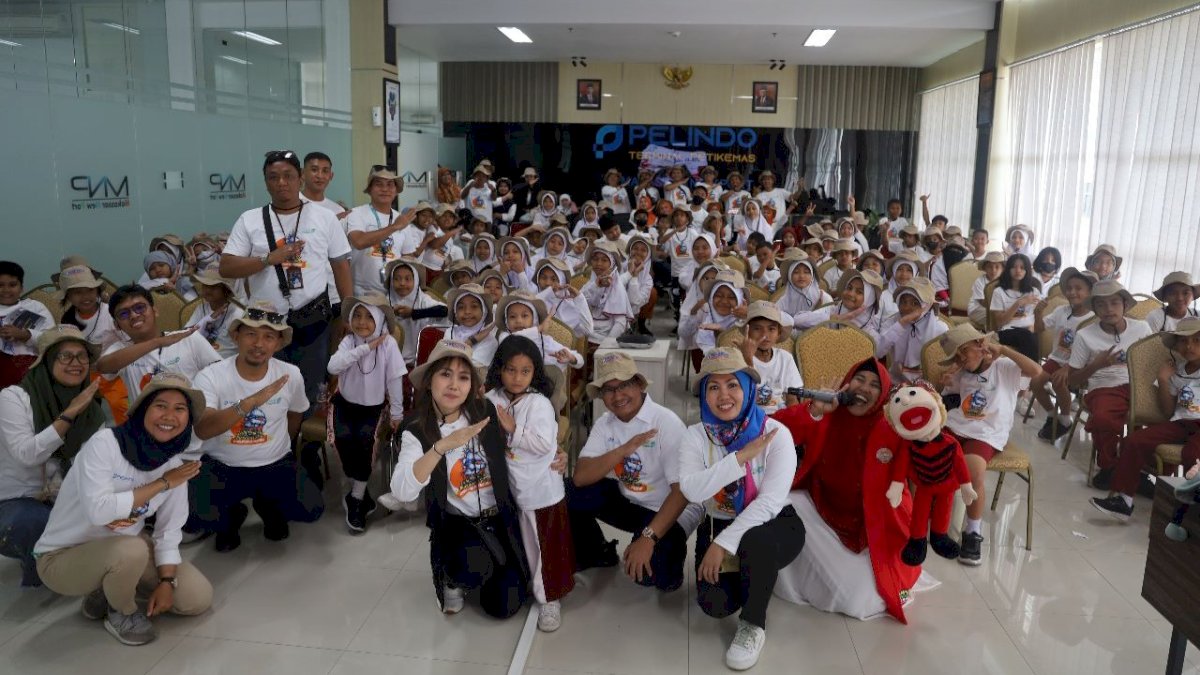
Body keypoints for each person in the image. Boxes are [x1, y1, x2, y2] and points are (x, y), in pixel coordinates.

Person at [34, 373, 213, 646]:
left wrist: (167, 581)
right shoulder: (104, 444)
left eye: (180, 409)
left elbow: (169, 529)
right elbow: (100, 512)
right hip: (62, 557)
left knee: (196, 597)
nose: (169, 416)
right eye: (160, 405)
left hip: (125, 548)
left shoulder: (174, 463)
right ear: (143, 409)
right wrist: (162, 484)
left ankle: (107, 590)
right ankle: (121, 610)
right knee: (132, 550)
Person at [772, 357, 926, 623]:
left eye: (874, 385)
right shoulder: (827, 413)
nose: (864, 388)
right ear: (847, 383)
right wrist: (814, 412)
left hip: (875, 526)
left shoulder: (891, 426)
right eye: (859, 380)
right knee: (775, 501)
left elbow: (924, 465)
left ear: (883, 394)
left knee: (865, 600)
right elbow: (772, 432)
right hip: (824, 508)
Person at [679, 348, 803, 671]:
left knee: (756, 543)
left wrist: (723, 544)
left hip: (775, 522)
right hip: (718, 522)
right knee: (714, 604)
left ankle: (753, 624)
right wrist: (741, 458)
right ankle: (756, 577)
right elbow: (692, 489)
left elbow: (770, 502)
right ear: (703, 394)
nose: (724, 396)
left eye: (732, 384)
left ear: (748, 389)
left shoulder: (776, 434)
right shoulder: (695, 436)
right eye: (713, 387)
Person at [389, 339, 529, 617]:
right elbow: (403, 491)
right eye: (445, 374)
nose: (454, 385)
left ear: (472, 386)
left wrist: (555, 455)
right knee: (472, 568)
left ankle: (488, 567)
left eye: (463, 377)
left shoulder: (485, 411)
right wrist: (441, 446)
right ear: (429, 381)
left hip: (499, 516)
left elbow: (520, 442)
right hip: (458, 522)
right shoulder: (415, 429)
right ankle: (452, 578)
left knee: (504, 607)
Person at [220, 149, 352, 422]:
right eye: (274, 177)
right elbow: (227, 267)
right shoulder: (251, 219)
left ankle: (305, 452)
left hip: (313, 320)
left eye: (288, 176)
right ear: (266, 181)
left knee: (308, 391)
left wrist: (348, 309)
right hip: (265, 323)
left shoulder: (324, 217)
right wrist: (269, 259)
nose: (282, 182)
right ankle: (270, 448)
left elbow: (341, 265)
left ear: (300, 179)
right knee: (267, 390)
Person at [185, 302, 324, 551]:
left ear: (279, 343)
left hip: (274, 463)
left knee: (311, 508)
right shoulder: (211, 376)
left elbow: (295, 415)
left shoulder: (290, 374)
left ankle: (268, 507)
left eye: (269, 337)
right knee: (193, 517)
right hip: (223, 465)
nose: (259, 344)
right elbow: (203, 429)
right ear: (236, 336)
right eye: (251, 334)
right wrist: (248, 404)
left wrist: (282, 449)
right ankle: (231, 516)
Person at [570, 353, 702, 591]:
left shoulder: (665, 422)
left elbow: (682, 492)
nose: (617, 395)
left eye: (624, 385)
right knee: (567, 491)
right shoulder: (605, 423)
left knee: (653, 577)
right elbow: (580, 477)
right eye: (608, 390)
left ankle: (669, 563)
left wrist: (648, 537)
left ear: (640, 385)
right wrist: (623, 449)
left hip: (672, 507)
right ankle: (597, 551)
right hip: (632, 501)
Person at [0, 327, 104, 587]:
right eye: (65, 356)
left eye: (82, 356)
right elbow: (27, 455)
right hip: (17, 500)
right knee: (33, 524)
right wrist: (69, 414)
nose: (76, 363)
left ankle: (65, 562)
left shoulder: (90, 406)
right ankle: (42, 570)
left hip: (65, 495)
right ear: (46, 361)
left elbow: (95, 462)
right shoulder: (14, 397)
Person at [482, 336, 573, 631]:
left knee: (544, 546)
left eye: (525, 371)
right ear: (499, 369)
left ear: (535, 372)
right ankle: (526, 585)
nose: (517, 377)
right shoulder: (491, 399)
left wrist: (513, 428)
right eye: (510, 369)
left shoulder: (539, 403)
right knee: (523, 544)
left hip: (540, 490)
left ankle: (550, 599)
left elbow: (545, 444)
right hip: (508, 487)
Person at [936, 324, 1042, 565]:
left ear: (981, 346)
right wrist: (943, 380)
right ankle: (921, 515)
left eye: (964, 351)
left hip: (986, 433)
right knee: (921, 451)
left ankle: (973, 531)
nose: (961, 359)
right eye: (956, 356)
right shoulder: (961, 373)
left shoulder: (1004, 368)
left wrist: (1003, 349)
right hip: (955, 425)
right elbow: (946, 398)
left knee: (973, 473)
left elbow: (1035, 371)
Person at [1091, 317, 1200, 521]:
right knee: (1133, 440)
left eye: (1197, 340)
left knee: (1192, 455)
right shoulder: (1178, 372)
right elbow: (1168, 411)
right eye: (1184, 341)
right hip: (1181, 423)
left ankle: (1189, 512)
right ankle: (1124, 501)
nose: (1190, 346)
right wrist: (1164, 379)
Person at [327, 294, 407, 533]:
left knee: (364, 443)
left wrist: (397, 412)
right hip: (344, 402)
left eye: (369, 317)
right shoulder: (349, 341)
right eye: (357, 316)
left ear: (380, 320)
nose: (362, 322)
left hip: (373, 408)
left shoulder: (389, 344)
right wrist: (364, 348)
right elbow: (333, 366)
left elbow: (394, 380)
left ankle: (357, 498)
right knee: (342, 441)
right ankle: (359, 493)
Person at [1066, 280, 1153, 490]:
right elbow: (1073, 380)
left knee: (1163, 417)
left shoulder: (1142, 328)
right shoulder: (1084, 335)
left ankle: (1140, 472)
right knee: (1104, 418)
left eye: (1114, 303)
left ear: (1124, 304)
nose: (1108, 310)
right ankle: (1109, 467)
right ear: (1094, 309)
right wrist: (1096, 365)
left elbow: (1154, 364)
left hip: (1138, 386)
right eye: (1101, 305)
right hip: (1103, 386)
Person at [98, 285, 221, 414]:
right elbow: (103, 366)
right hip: (145, 428)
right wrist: (157, 342)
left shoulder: (188, 338)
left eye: (139, 307)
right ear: (117, 325)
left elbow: (220, 375)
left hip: (191, 421)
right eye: (123, 314)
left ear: (155, 310)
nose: (134, 315)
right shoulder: (121, 350)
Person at [1031, 267, 1096, 441]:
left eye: (1078, 288)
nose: (1072, 292)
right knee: (1036, 382)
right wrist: (1038, 313)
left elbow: (1091, 351)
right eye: (1069, 288)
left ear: (1090, 292)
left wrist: (1068, 367)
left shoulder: (1092, 318)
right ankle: (1053, 415)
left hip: (1078, 365)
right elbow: (1038, 328)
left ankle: (1065, 419)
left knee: (1059, 381)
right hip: (1056, 359)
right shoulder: (1062, 311)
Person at [344, 167, 418, 295]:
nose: (385, 189)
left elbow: (408, 257)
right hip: (362, 293)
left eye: (390, 185)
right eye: (379, 184)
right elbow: (359, 241)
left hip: (394, 294)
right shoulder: (357, 213)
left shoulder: (401, 219)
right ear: (370, 190)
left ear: (395, 191)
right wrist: (394, 227)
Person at [876, 278, 949, 383]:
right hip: (896, 381)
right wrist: (901, 324)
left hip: (928, 383)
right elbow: (879, 351)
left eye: (915, 303)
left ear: (926, 306)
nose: (907, 307)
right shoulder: (892, 322)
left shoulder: (939, 329)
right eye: (903, 302)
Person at [736, 301, 801, 414]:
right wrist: (747, 360)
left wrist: (791, 422)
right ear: (748, 331)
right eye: (757, 328)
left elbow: (792, 400)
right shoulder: (737, 358)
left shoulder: (786, 358)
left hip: (780, 416)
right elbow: (740, 399)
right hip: (749, 416)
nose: (764, 335)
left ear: (779, 333)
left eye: (771, 329)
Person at [0, 261, 55, 389]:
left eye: (12, 285)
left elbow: (53, 341)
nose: (6, 290)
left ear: (21, 287)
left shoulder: (35, 307)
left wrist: (25, 335)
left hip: (27, 369)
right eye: (0, 285)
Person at [384, 259, 448, 364]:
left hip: (419, 360)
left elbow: (445, 311)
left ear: (416, 281)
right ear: (391, 281)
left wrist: (414, 313)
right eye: (397, 279)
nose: (402, 283)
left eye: (407, 279)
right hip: (388, 360)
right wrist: (389, 313)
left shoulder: (423, 300)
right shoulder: (385, 301)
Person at [988, 253, 1042, 361]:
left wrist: (1034, 326)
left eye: (1022, 268)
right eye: (1014, 267)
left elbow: (1037, 316)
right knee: (1026, 336)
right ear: (1008, 269)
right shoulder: (999, 292)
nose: (1018, 270)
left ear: (1027, 271)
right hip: (1007, 331)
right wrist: (1018, 303)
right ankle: (1034, 372)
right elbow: (999, 322)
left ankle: (1028, 372)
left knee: (1031, 336)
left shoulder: (1034, 291)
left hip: (1029, 330)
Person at [57, 263, 120, 351]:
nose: (85, 296)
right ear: (68, 297)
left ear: (97, 291)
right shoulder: (67, 319)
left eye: (90, 290)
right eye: (78, 292)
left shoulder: (112, 313)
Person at [184, 268, 245, 359]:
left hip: (225, 362)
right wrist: (209, 318)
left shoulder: (237, 313)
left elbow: (241, 349)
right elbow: (185, 335)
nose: (207, 290)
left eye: (213, 287)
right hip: (198, 359)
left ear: (226, 290)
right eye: (205, 285)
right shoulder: (201, 308)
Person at [580, 241, 632, 345]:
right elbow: (582, 301)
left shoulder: (617, 289)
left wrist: (606, 344)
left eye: (604, 260)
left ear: (612, 264)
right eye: (595, 259)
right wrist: (597, 286)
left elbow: (620, 324)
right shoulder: (590, 283)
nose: (599, 263)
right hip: (586, 333)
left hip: (605, 338)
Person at [299, 151, 348, 218]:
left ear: (331, 176)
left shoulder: (338, 210)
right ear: (302, 173)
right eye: (314, 170)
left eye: (325, 171)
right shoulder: (289, 204)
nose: (320, 176)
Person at [968, 251, 1005, 327]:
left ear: (1003, 269)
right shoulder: (980, 281)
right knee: (996, 316)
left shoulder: (1004, 282)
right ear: (984, 268)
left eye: (997, 267)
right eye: (989, 267)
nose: (993, 270)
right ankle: (993, 334)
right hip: (977, 310)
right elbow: (982, 302)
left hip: (998, 309)